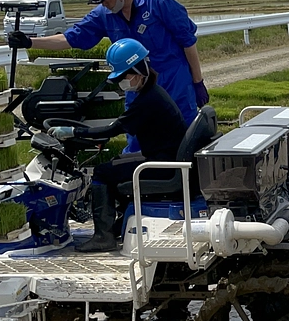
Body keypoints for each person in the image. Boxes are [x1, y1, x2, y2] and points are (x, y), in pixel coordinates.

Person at [9, 0, 207, 149]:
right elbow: (71, 38)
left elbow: (188, 43)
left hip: (174, 84)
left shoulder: (158, 3)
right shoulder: (104, 15)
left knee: (184, 144)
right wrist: (30, 42)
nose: (103, 4)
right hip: (137, 89)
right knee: (137, 147)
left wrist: (197, 82)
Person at [49, 39, 187, 252]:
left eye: (124, 77)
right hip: (165, 158)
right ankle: (116, 226)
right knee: (116, 163)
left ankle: (103, 237)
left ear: (139, 71)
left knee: (102, 172)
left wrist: (74, 132)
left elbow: (113, 130)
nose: (122, 82)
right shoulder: (151, 94)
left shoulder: (147, 101)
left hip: (162, 165)